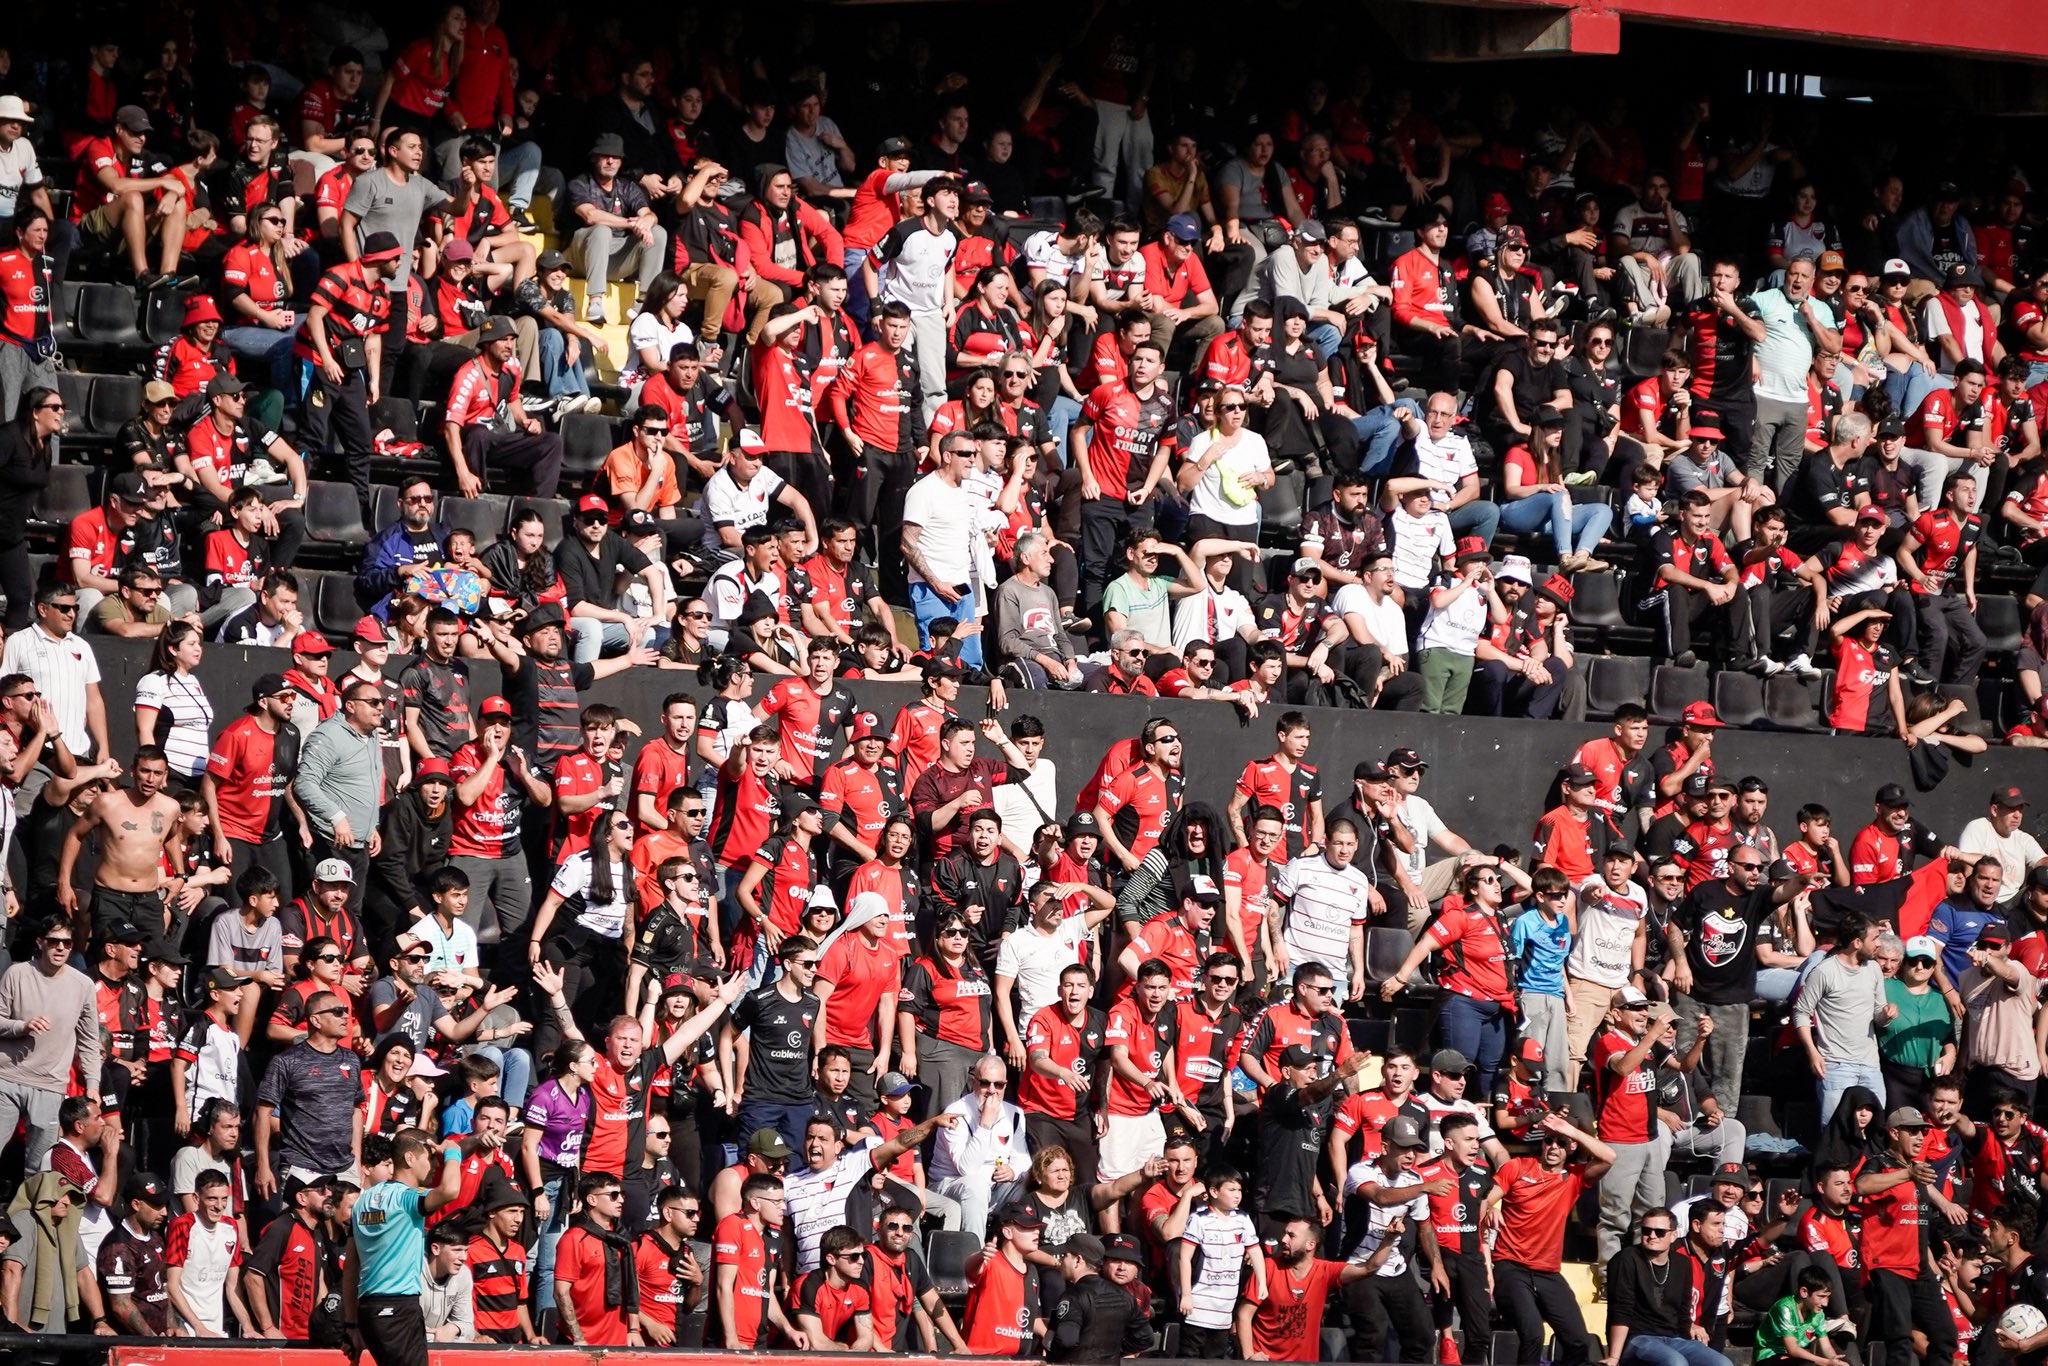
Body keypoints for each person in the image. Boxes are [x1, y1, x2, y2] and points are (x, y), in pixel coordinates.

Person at [1483, 1112, 1615, 1366]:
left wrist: (1570, 1129)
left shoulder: (1574, 1177)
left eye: (1561, 1142)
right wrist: (1490, 1208)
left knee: (1579, 1341)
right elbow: (1485, 1200)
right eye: (1549, 1140)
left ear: (1572, 1147)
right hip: (1511, 1266)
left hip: (1547, 1272)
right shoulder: (1517, 1167)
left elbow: (1609, 1157)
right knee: (1533, 1334)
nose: (1554, 1147)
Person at [346, 1129, 476, 1366]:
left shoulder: (362, 1201)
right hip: (398, 1309)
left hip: (368, 1310)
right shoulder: (406, 1198)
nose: (434, 1165)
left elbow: (351, 1267)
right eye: (430, 1157)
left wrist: (351, 1323)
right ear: (409, 1158)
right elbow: (449, 1190)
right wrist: (453, 1153)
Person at [0, 918, 99, 1171]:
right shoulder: (16, 973)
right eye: (54, 941)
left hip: (50, 1084)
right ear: (40, 942)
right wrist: (22, 1026)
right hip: (6, 1077)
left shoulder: (83, 985)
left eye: (67, 943)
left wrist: (93, 1084)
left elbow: (89, 1040)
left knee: (40, 1166)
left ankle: (32, 1200)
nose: (61, 948)